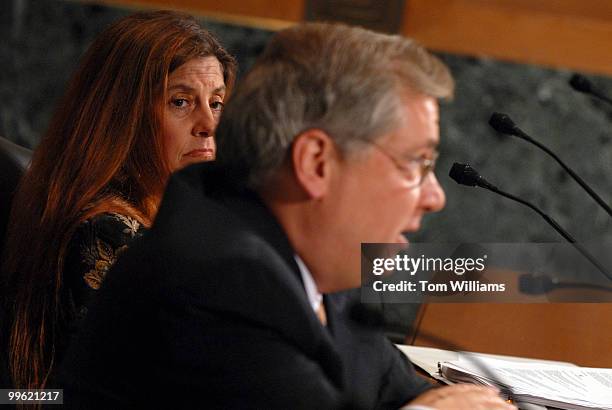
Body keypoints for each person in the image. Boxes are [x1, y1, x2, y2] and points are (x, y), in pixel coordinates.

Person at [58, 23, 515, 409]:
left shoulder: (321, 270)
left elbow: (397, 391)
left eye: (217, 102)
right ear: (317, 162)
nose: (435, 197)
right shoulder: (218, 282)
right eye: (415, 163)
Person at [0, 10, 236, 390]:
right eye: (181, 102)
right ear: (124, 115)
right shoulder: (107, 230)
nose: (209, 123)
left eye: (217, 102)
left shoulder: (186, 215)